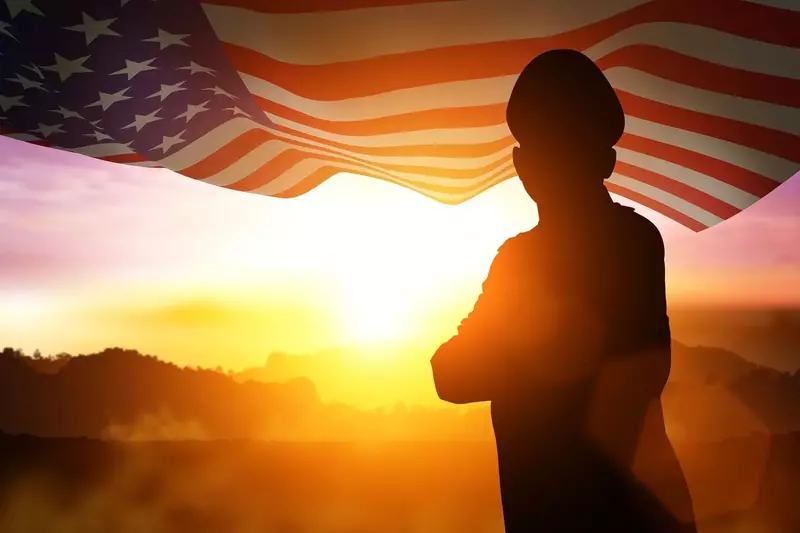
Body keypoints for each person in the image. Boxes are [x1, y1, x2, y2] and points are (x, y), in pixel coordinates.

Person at [430, 49, 697, 533]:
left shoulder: (555, 255)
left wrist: (519, 359)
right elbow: (449, 374)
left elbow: (455, 370)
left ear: (521, 165)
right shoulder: (628, 243)